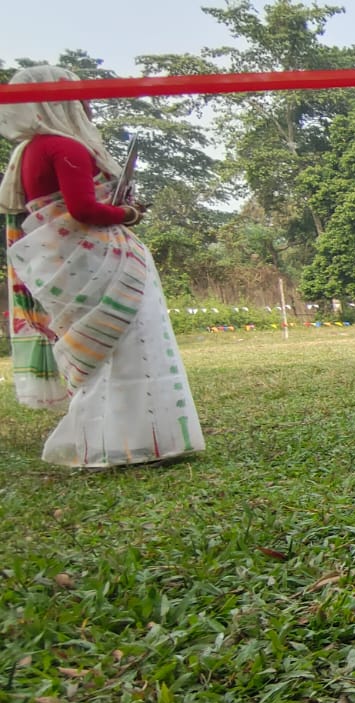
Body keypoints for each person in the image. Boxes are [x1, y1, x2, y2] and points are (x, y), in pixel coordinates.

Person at [1, 66, 204, 468]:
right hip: (98, 261)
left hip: (63, 262)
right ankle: (140, 441)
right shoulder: (65, 148)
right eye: (79, 95)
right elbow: (84, 210)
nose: (88, 104)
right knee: (129, 344)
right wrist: (128, 213)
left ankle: (110, 441)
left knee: (99, 352)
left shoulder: (27, 152)